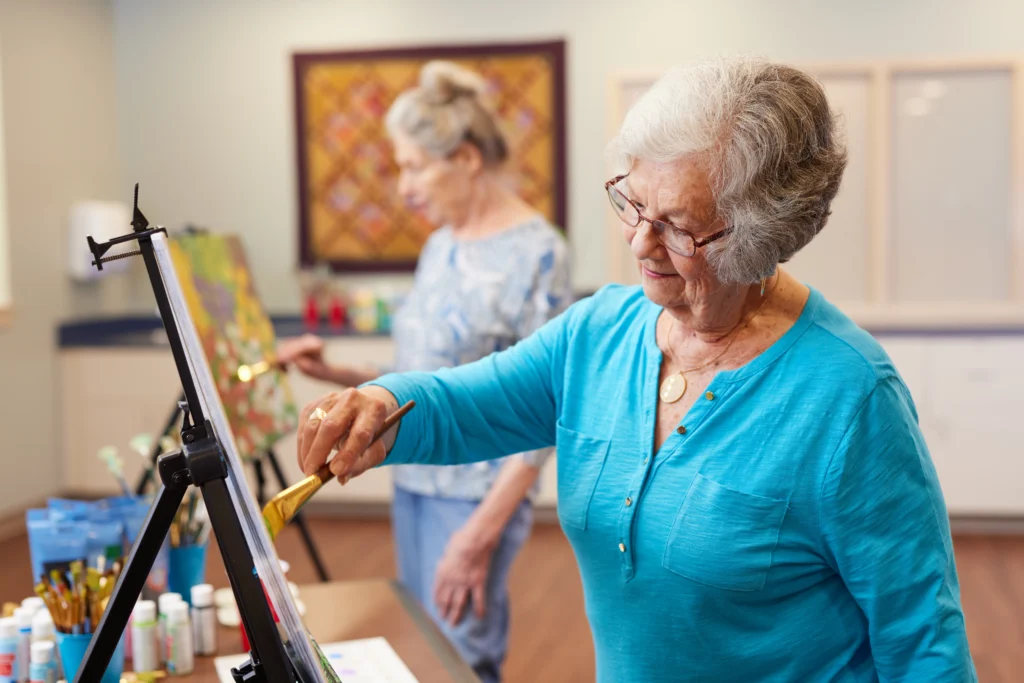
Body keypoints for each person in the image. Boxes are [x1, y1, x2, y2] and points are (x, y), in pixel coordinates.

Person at [295, 57, 978, 682]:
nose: (639, 241)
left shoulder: (850, 397)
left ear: (760, 235)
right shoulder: (600, 332)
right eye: (633, 202)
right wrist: (380, 403)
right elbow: (464, 403)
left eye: (678, 225)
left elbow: (925, 643)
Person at [278, 61, 572, 683]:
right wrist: (338, 373)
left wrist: (480, 533)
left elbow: (549, 406)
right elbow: (421, 374)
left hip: (475, 494)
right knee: (424, 644)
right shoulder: (441, 245)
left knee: (464, 653)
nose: (403, 187)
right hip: (412, 474)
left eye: (414, 166)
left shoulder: (538, 250)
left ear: (465, 158)